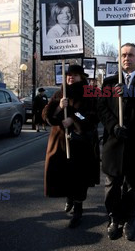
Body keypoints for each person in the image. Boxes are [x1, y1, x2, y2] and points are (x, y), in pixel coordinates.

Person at [98, 43, 135, 241]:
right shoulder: (108, 83)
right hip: (114, 141)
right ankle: (114, 218)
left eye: (131, 55)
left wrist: (129, 93)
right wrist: (114, 126)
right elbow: (102, 109)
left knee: (132, 185)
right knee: (112, 185)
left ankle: (130, 218)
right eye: (123, 55)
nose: (126, 58)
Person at [42, 64, 100, 229]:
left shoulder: (90, 93)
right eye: (68, 75)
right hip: (60, 141)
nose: (70, 78)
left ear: (82, 77)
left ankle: (78, 209)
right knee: (64, 174)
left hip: (81, 143)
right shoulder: (61, 92)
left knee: (79, 177)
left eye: (74, 75)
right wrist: (60, 107)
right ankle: (69, 197)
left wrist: (74, 117)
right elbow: (47, 114)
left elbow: (92, 116)